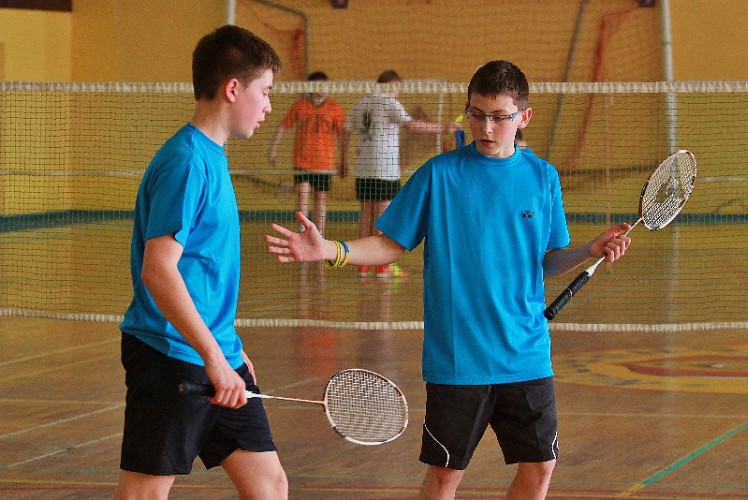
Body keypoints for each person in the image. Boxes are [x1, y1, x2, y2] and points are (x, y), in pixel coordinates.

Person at [265, 60, 632, 499]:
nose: (486, 127)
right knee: (445, 475)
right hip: (459, 359)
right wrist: (331, 249)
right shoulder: (439, 175)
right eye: (477, 114)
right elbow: (390, 244)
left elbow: (547, 262)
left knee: (540, 468)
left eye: (499, 117)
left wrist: (589, 251)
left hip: (526, 353)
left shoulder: (542, 177)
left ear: (524, 117)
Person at [115, 25, 288, 500]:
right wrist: (213, 357)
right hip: (173, 357)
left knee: (270, 485)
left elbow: (202, 270)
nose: (269, 106)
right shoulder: (187, 162)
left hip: (217, 355)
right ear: (233, 89)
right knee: (144, 493)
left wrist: (229, 348)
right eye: (265, 91)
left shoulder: (212, 157)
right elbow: (159, 269)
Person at [341, 69, 454, 278]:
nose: (398, 93)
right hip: (384, 169)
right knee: (383, 215)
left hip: (363, 168)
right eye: (398, 89)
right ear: (391, 86)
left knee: (365, 213)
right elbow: (413, 126)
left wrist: (343, 159)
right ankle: (381, 265)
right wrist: (443, 127)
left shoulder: (361, 103)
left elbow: (346, 131)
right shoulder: (390, 103)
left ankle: (362, 264)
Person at [268, 71, 346, 236]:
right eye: (319, 85)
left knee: (320, 198)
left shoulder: (335, 108)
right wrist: (273, 149)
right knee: (302, 195)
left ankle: (319, 234)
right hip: (302, 161)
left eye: (326, 86)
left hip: (324, 162)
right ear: (311, 87)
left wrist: (342, 158)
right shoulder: (300, 105)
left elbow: (342, 135)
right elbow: (283, 127)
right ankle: (303, 232)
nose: (323, 89)